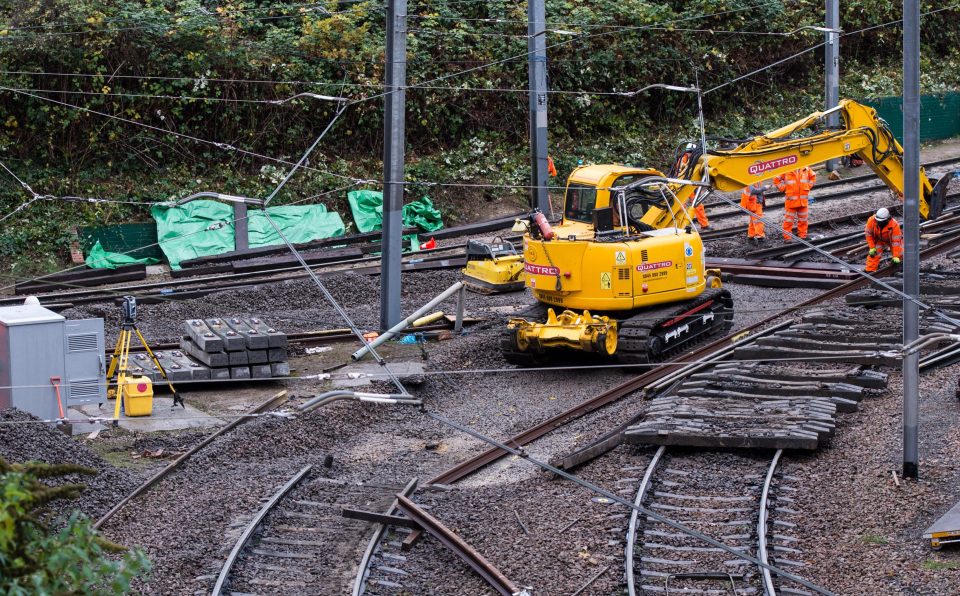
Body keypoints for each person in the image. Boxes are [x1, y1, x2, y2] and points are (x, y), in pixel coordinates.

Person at [774, 166, 816, 240]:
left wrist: (808, 186)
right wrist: (783, 188)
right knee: (788, 221)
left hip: (803, 201)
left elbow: (813, 176)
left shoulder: (806, 168)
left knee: (803, 220)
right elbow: (776, 179)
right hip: (791, 202)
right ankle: (787, 238)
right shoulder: (786, 168)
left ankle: (802, 236)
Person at [864, 207, 903, 272]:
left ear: (887, 220)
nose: (879, 223)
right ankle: (869, 271)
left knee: (900, 253)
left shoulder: (894, 225)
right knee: (874, 254)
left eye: (881, 221)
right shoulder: (871, 221)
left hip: (890, 240)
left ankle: (898, 268)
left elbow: (896, 242)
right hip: (879, 239)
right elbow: (868, 235)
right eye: (877, 221)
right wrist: (872, 247)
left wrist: (896, 256)